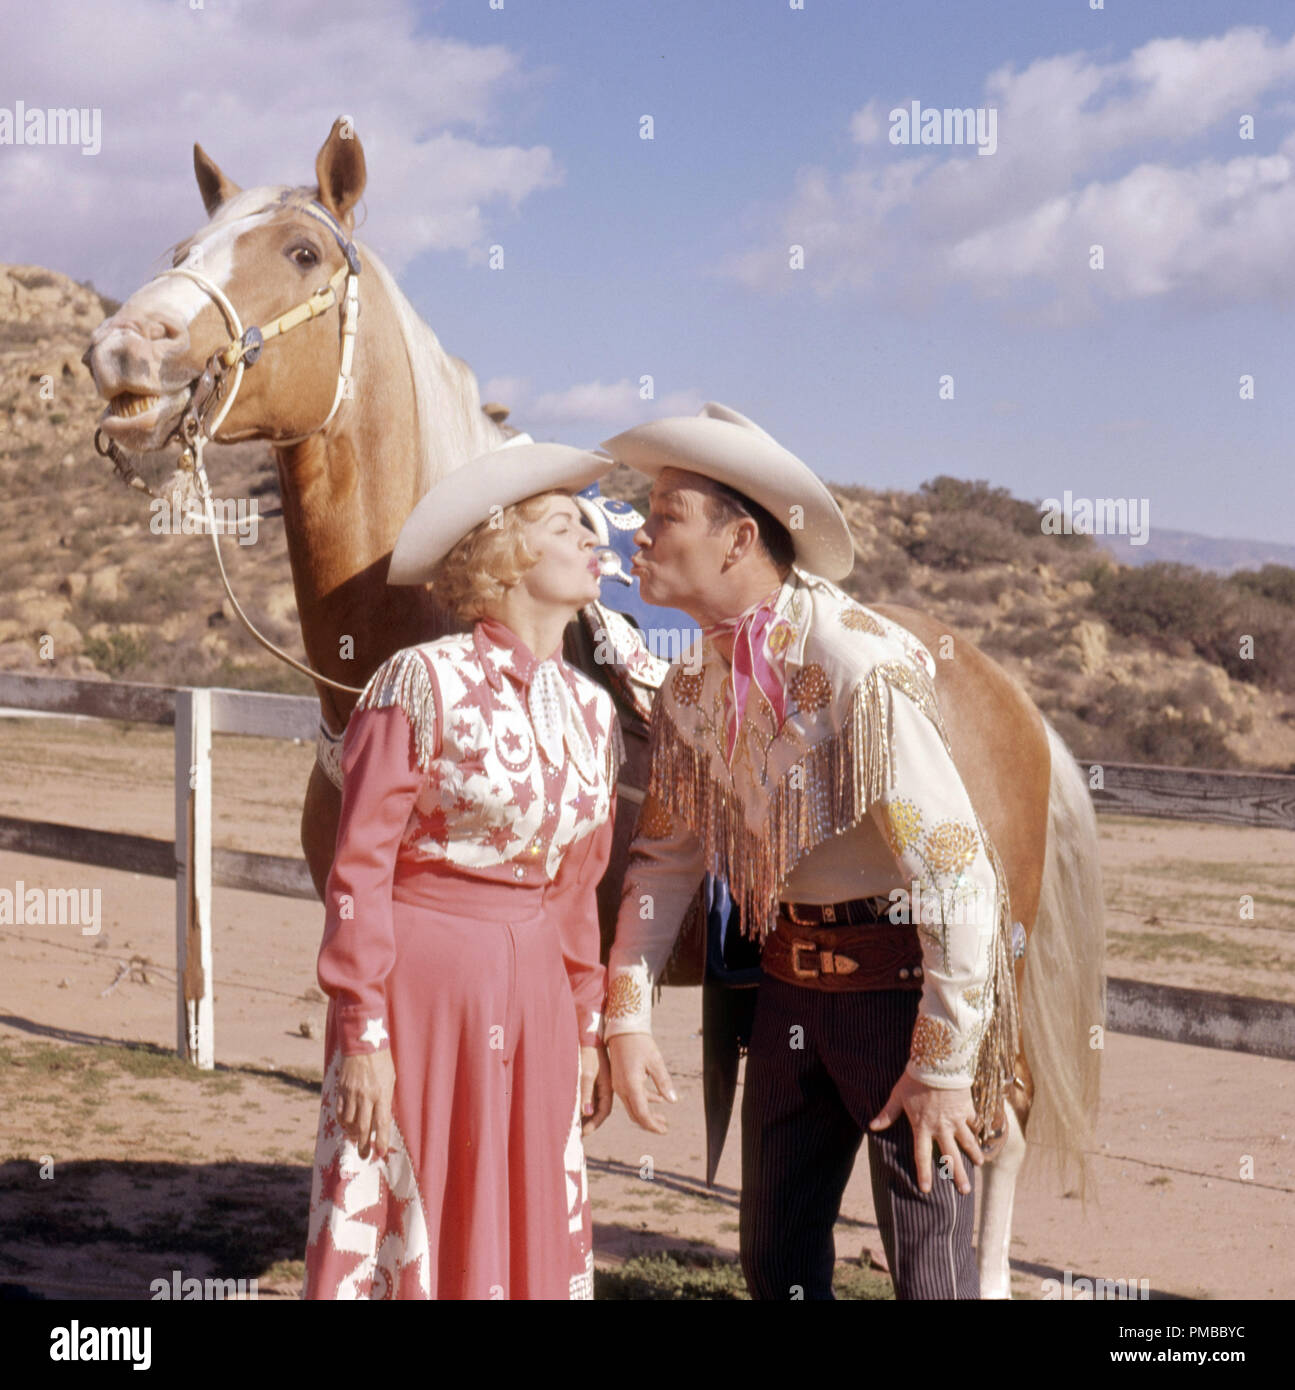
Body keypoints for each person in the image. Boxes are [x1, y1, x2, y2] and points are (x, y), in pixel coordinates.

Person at [600, 403, 1020, 1300]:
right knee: (776, 1266)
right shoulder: (688, 686)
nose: (637, 531)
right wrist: (626, 1017)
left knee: (930, 1277)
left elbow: (952, 867)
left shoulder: (852, 660)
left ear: (736, 538)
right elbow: (665, 865)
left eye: (664, 513)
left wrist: (942, 1067)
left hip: (900, 995)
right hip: (788, 985)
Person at [302, 442, 623, 1300]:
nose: (595, 543)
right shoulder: (417, 680)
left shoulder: (594, 712)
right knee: (412, 1204)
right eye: (566, 525)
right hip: (420, 992)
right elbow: (357, 868)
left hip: (540, 1006)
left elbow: (576, 888)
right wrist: (362, 1033)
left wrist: (586, 1027)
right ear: (508, 553)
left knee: (518, 1213)